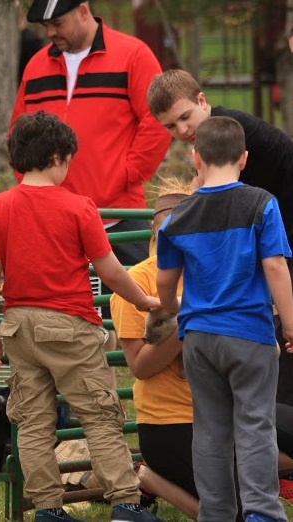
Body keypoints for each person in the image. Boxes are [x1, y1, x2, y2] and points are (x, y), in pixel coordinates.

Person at [0, 111, 162, 522]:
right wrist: (143, 300)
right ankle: (127, 504)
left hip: (19, 327)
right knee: (100, 414)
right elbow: (111, 270)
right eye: (70, 160)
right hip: (69, 326)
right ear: (58, 156)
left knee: (33, 420)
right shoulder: (80, 207)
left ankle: (47, 508)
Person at [12, 0, 171, 353]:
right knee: (65, 318)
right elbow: (19, 131)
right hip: (53, 218)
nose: (51, 32)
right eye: (45, 25)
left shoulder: (133, 55)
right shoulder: (37, 65)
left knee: (138, 314)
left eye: (58, 22)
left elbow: (157, 121)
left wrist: (126, 173)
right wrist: (31, 184)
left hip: (119, 216)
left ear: (83, 9)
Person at [156, 116, 293, 522]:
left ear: (196, 158)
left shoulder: (179, 216)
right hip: (249, 332)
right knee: (255, 425)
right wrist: (289, 321)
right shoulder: (261, 203)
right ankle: (262, 514)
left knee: (210, 430)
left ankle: (215, 514)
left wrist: (173, 307)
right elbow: (275, 268)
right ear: (245, 157)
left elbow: (166, 280)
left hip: (198, 337)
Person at [146, 68, 293, 410]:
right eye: (170, 126)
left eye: (185, 117)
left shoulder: (228, 133)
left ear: (202, 101)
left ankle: (280, 435)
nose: (182, 130)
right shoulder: (215, 132)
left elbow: (214, 199)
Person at [110, 176, 199, 519]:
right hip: (170, 425)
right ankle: (150, 477)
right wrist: (190, 316)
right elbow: (140, 367)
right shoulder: (138, 284)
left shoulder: (209, 272)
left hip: (221, 415)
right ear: (157, 233)